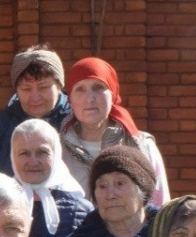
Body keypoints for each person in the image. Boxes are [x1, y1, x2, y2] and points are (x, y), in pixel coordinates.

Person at [59, 57, 170, 205]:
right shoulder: (57, 150)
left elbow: (160, 206)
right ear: (70, 100)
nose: (90, 98)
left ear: (113, 95)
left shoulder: (143, 145)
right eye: (80, 89)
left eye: (98, 87)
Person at [9, 118, 91, 237]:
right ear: (12, 156)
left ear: (56, 154)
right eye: (24, 153)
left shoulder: (82, 211)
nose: (33, 161)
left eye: (42, 152)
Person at [0, 44, 72, 175]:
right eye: (26, 89)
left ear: (59, 86)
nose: (35, 97)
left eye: (43, 87)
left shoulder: (76, 120)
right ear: (16, 90)